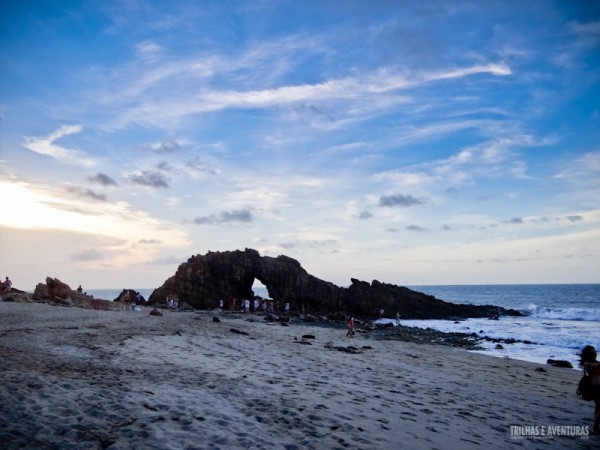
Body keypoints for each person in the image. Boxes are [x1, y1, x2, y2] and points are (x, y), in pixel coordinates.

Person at [580, 345, 600, 433]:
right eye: (593, 352)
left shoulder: (596, 363)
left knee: (598, 407)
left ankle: (596, 426)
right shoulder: (587, 363)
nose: (595, 353)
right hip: (594, 388)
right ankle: (596, 426)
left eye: (595, 352)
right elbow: (593, 367)